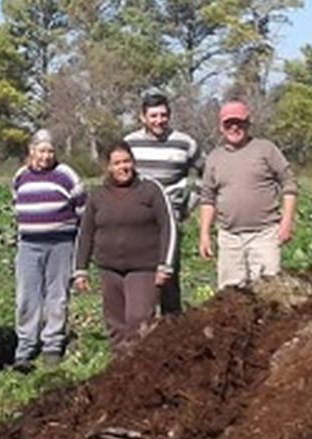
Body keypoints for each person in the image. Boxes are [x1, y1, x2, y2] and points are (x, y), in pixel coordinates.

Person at [71, 143, 176, 352]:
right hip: (109, 269)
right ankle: (119, 369)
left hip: (143, 267)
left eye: (127, 161)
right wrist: (80, 269)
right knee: (116, 324)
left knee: (139, 320)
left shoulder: (150, 190)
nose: (123, 167)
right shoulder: (98, 195)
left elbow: (168, 226)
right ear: (108, 167)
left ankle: (140, 369)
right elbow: (86, 232)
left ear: (134, 163)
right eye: (117, 163)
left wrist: (165, 264)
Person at [197, 100, 298, 289]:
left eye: (239, 122)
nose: (234, 127)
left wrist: (286, 221)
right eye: (229, 123)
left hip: (264, 235)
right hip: (229, 238)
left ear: (248, 123)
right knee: (230, 295)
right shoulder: (214, 158)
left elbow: (289, 183)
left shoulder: (266, 149)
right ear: (221, 127)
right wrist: (204, 234)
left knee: (269, 291)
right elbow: (207, 198)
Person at [12, 129, 86, 370]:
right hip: (29, 245)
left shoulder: (66, 175)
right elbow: (16, 204)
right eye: (41, 150)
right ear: (32, 151)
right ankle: (26, 345)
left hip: (60, 244)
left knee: (57, 295)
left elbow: (82, 208)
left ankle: (52, 345)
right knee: (27, 296)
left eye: (50, 151)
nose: (46, 156)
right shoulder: (20, 176)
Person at [124, 92, 202, 314]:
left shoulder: (184, 143)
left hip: (170, 220)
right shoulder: (130, 143)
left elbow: (206, 173)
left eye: (163, 115)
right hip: (139, 222)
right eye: (154, 116)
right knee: (140, 276)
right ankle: (142, 326)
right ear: (142, 117)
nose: (159, 120)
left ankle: (171, 327)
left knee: (168, 275)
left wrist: (188, 204)